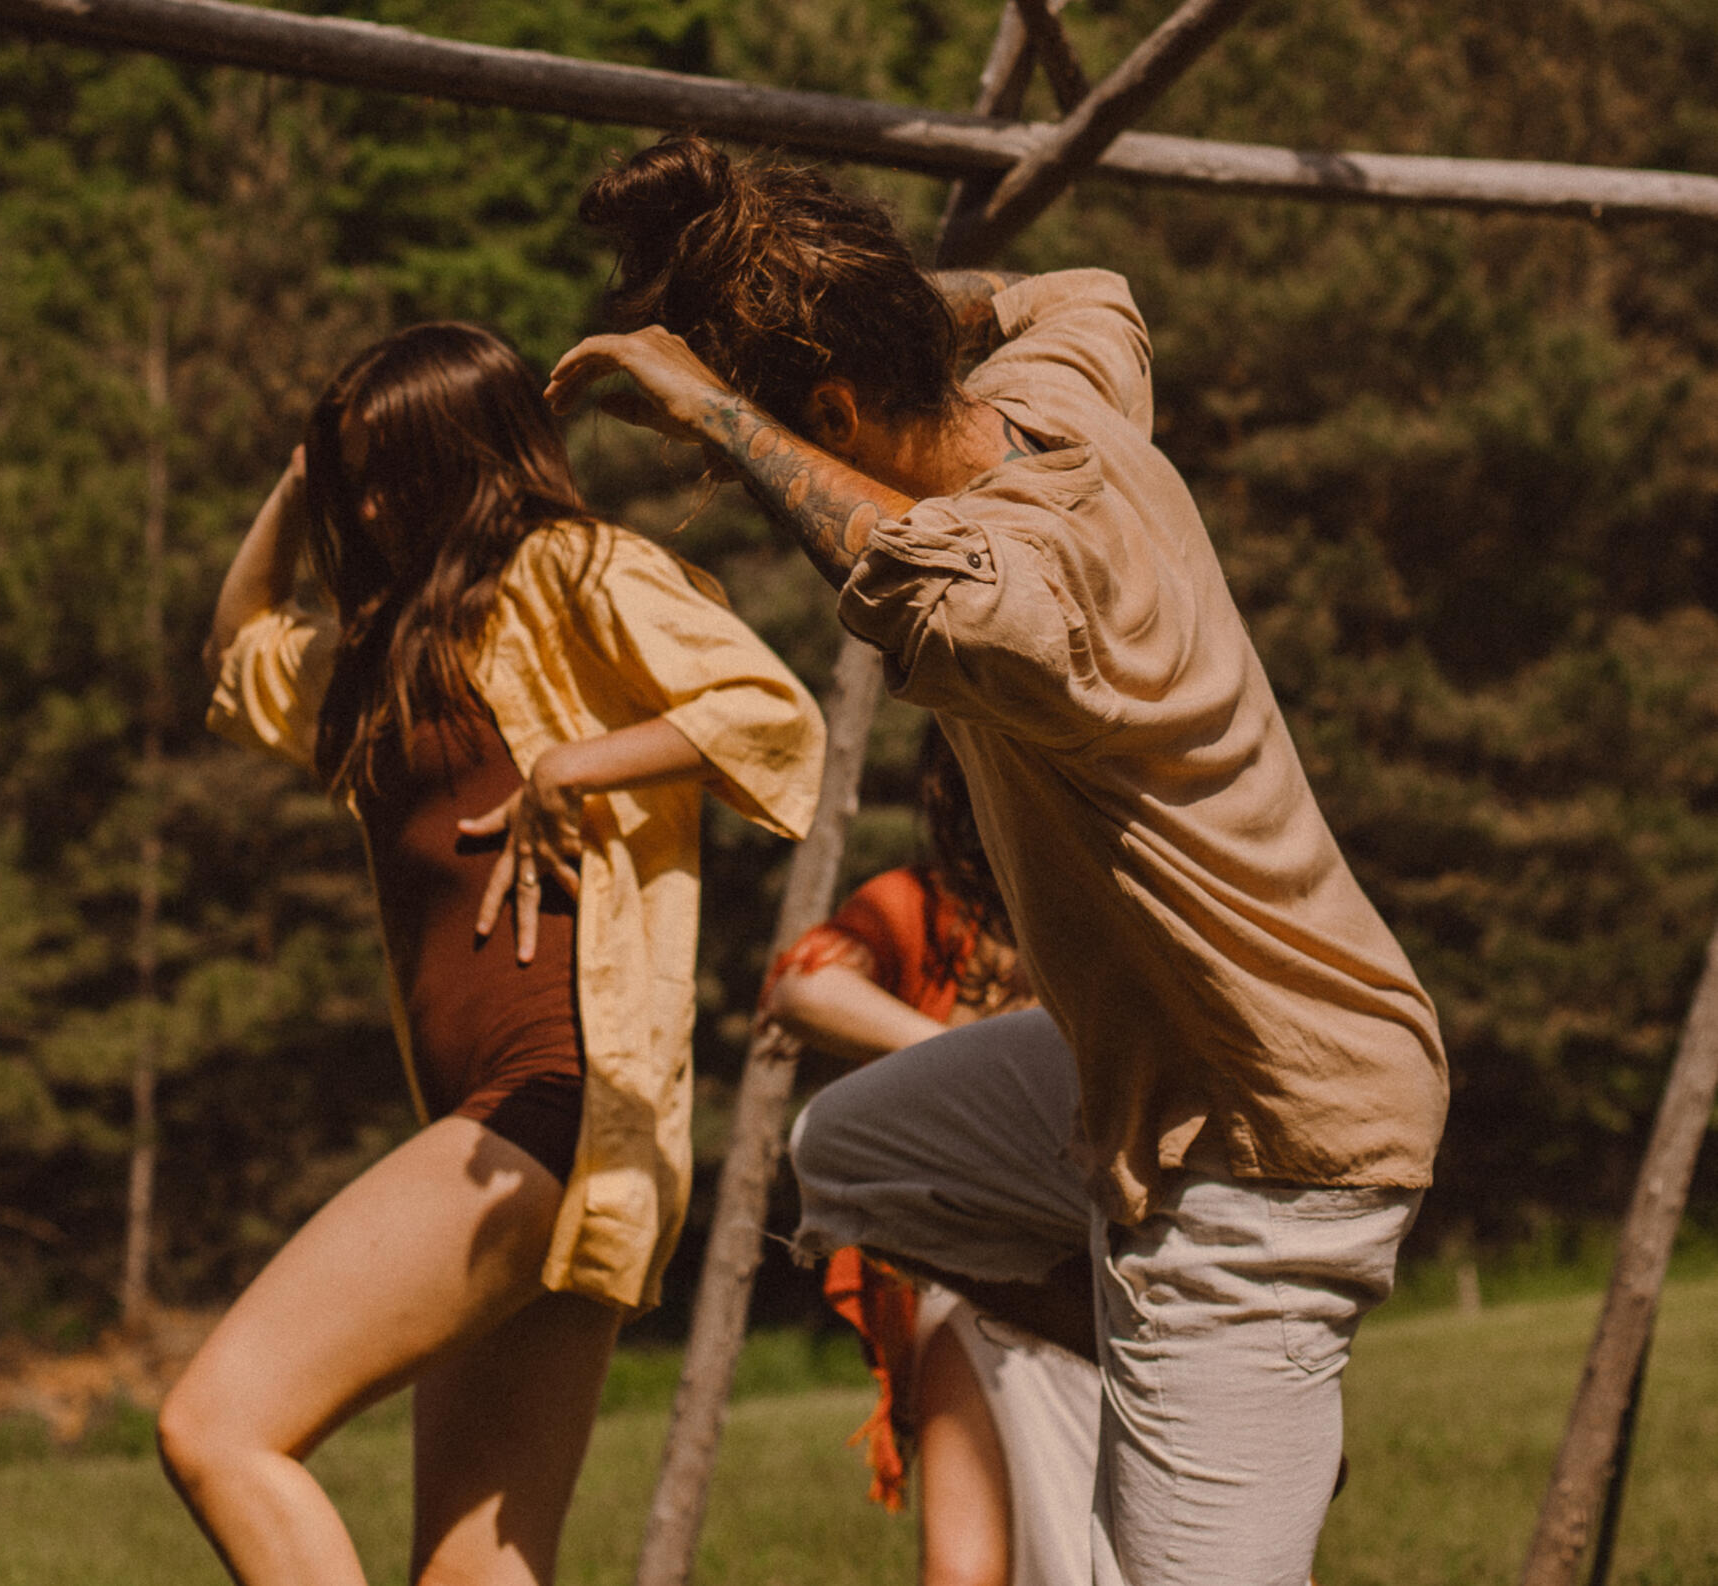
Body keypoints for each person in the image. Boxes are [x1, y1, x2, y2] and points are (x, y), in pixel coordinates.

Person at [547, 136, 1449, 1585]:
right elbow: (1084, 288)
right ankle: (1188, 1371)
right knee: (855, 1151)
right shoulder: (1056, 402)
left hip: (1269, 1136)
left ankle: (1229, 1369)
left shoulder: (1039, 588)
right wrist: (861, 299)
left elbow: (911, 586)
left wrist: (718, 410)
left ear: (834, 413)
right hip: (1178, 1053)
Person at [157, 321, 825, 1586]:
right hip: (520, 1127)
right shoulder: (386, 658)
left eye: (390, 470)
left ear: (467, 455)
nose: (367, 503)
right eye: (352, 477)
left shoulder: (571, 569)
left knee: (219, 1426)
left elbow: (771, 713)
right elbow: (239, 650)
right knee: (472, 1570)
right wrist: (299, 479)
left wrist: (575, 764)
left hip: (553, 1104)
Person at [764, 723, 1099, 1586]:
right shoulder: (925, 907)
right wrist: (964, 1063)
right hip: (983, 1283)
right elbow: (803, 984)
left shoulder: (1110, 906)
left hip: (1125, 1267)